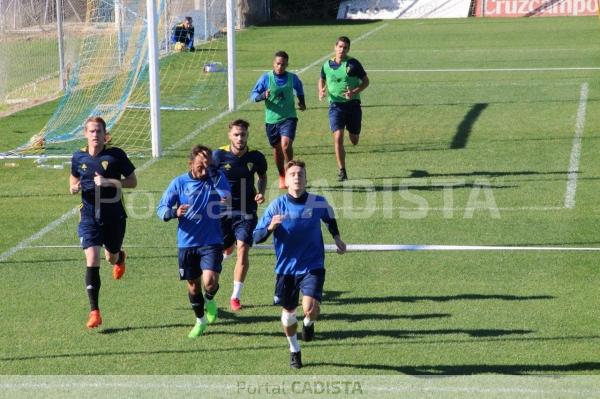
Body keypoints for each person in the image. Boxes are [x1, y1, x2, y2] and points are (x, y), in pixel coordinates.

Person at [253, 160, 346, 369]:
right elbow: (256, 237)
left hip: (312, 265)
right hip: (286, 270)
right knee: (287, 316)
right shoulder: (276, 206)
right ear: (286, 179)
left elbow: (329, 217)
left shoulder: (317, 202)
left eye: (300, 174)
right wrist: (270, 227)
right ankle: (294, 349)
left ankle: (308, 323)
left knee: (310, 307)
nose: (297, 177)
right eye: (293, 173)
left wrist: (337, 237)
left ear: (306, 179)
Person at [69, 116, 137, 329]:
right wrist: (73, 187)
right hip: (89, 217)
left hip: (114, 216)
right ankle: (95, 312)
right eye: (91, 131)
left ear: (105, 134)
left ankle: (119, 258)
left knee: (110, 256)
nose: (95, 135)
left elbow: (133, 181)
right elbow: (72, 180)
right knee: (92, 257)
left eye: (99, 131)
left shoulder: (115, 156)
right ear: (85, 133)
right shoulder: (78, 156)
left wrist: (109, 182)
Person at [157, 145, 230, 338]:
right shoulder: (179, 182)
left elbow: (227, 198)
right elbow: (161, 207)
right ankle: (200, 320)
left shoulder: (217, 178)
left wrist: (213, 173)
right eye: (201, 163)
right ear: (191, 163)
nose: (204, 167)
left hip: (212, 240)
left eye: (208, 162)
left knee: (210, 281)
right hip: (187, 243)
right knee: (193, 285)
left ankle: (211, 299)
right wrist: (174, 212)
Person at [212, 119, 268, 312]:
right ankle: (225, 253)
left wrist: (261, 192)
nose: (240, 138)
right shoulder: (218, 155)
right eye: (236, 134)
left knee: (242, 247)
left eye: (243, 134)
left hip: (246, 210)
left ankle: (235, 296)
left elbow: (262, 176)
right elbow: (206, 177)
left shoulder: (256, 157)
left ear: (247, 135)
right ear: (230, 136)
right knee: (224, 249)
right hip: (221, 211)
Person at [251, 50, 306, 189]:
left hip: (289, 117)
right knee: (277, 150)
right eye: (278, 64)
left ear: (287, 64)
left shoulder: (292, 78)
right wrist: (262, 95)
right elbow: (253, 95)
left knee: (286, 145)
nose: (280, 66)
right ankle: (282, 174)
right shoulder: (265, 78)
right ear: (273, 63)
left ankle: (291, 173)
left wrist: (302, 102)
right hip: (271, 120)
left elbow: (299, 89)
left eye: (283, 64)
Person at [318, 36, 370, 181]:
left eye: (345, 47)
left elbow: (366, 81)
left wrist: (354, 92)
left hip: (353, 106)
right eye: (340, 46)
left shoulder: (353, 64)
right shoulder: (327, 65)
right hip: (335, 106)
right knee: (338, 137)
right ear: (335, 47)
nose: (342, 50)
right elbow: (322, 78)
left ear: (348, 49)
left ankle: (353, 133)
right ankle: (342, 170)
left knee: (354, 140)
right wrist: (321, 90)